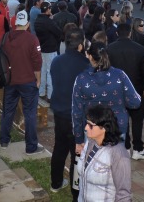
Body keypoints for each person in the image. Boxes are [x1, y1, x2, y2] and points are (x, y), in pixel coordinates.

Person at [72, 40, 141, 155]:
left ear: (89, 56)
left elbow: (76, 112)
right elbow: (136, 102)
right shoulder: (120, 75)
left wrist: (78, 139)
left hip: (92, 128)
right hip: (117, 127)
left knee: (93, 163)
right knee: (116, 163)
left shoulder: (81, 79)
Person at [49, 27, 89, 198]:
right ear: (81, 45)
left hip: (60, 112)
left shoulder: (56, 61)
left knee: (59, 148)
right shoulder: (86, 65)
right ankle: (76, 192)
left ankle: (55, 183)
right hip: (78, 117)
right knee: (77, 154)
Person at [0, 10, 44, 155]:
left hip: (10, 80)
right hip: (27, 81)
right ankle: (31, 147)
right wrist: (38, 79)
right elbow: (37, 62)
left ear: (15, 22)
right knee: (30, 113)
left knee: (8, 111)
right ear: (28, 24)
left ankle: (4, 140)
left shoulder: (5, 37)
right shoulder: (32, 39)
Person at [107, 23, 144, 160]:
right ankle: (138, 149)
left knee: (121, 119)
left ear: (116, 34)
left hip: (116, 91)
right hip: (136, 90)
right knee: (138, 120)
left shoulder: (109, 49)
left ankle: (125, 146)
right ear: (130, 33)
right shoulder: (140, 49)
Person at [78, 104, 132, 202]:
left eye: (90, 125)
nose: (85, 128)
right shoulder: (90, 143)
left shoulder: (118, 154)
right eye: (86, 123)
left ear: (104, 128)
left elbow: (123, 194)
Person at [34, 1, 63, 100]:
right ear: (48, 10)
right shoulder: (48, 21)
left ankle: (41, 92)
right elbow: (58, 32)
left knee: (42, 71)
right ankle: (50, 95)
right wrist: (52, 19)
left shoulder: (38, 20)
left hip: (42, 48)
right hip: (50, 49)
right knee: (50, 72)